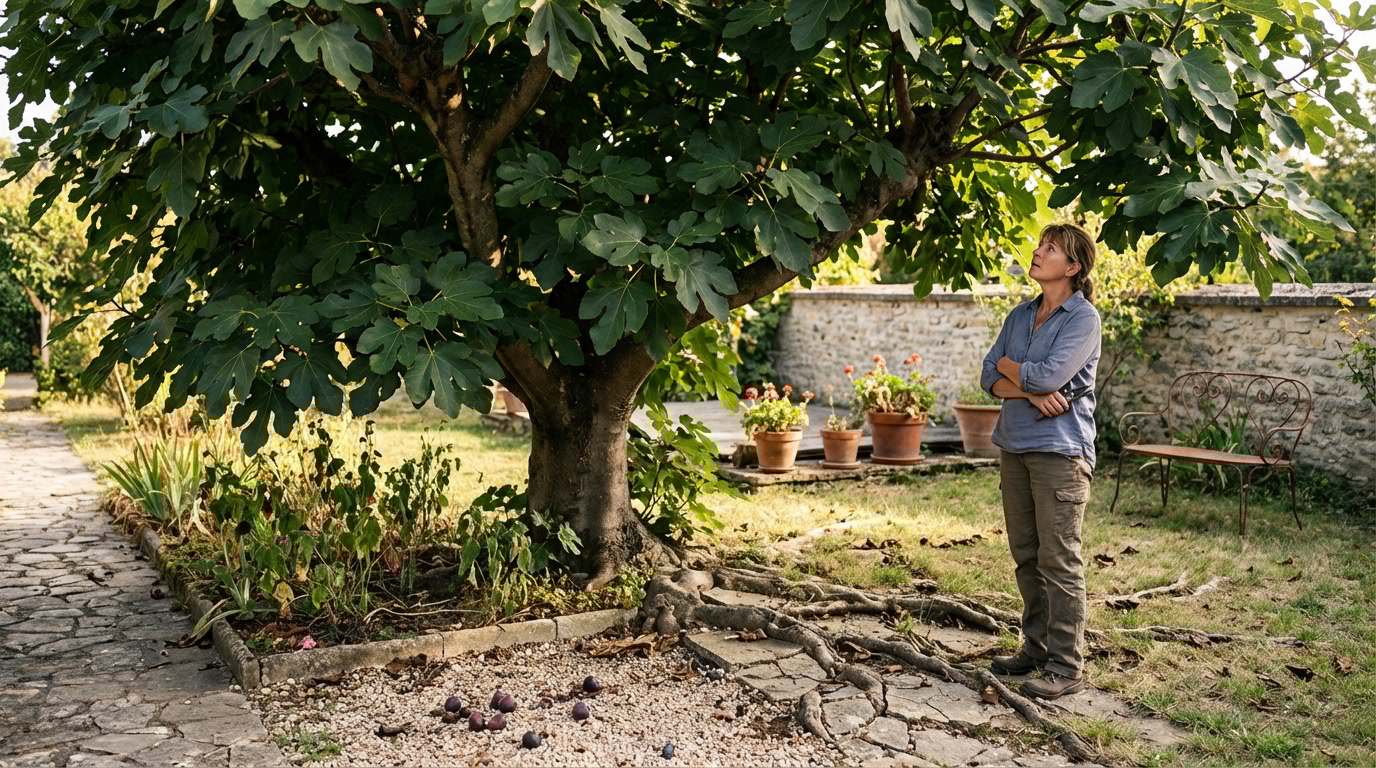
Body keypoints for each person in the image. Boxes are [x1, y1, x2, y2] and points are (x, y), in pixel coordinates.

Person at [979, 223, 1101, 700]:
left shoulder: (1082, 319)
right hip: (1015, 445)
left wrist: (1018, 373)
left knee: (1058, 560)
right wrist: (1023, 382)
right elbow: (987, 374)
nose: (1037, 251)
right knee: (1026, 556)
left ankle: (1067, 666)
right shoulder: (1019, 314)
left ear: (1071, 267)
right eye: (1040, 245)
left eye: (1049, 249)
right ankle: (1035, 648)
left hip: (1060, 452)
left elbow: (1052, 373)